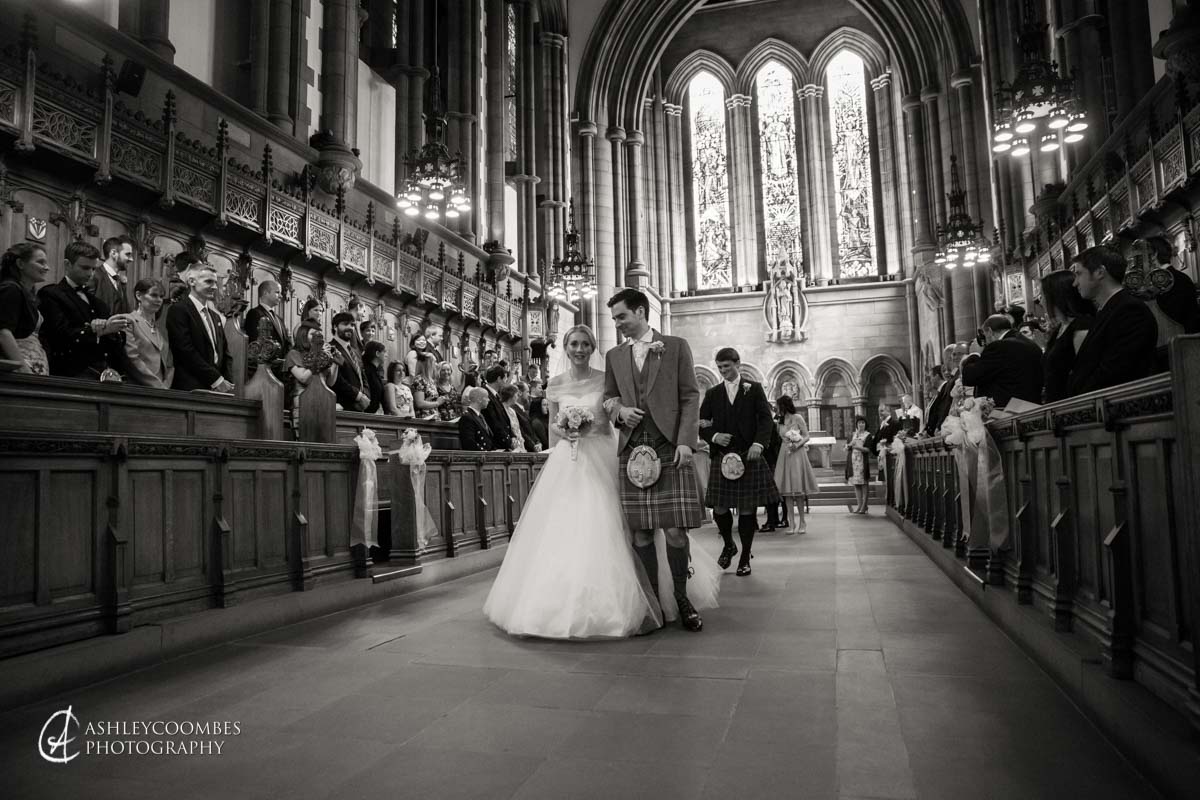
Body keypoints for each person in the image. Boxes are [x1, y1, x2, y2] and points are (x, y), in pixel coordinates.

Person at [484, 324, 718, 639]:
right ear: (565, 348)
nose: (579, 349)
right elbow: (553, 425)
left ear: (592, 347)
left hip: (602, 456)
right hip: (567, 460)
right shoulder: (554, 384)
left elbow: (612, 420)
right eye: (573, 344)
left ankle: (661, 595)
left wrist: (595, 425)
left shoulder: (605, 378)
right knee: (563, 530)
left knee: (626, 526)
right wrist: (566, 431)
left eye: (585, 344)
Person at [603, 289, 708, 631]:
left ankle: (681, 597)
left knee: (676, 532)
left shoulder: (675, 346)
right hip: (633, 451)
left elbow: (690, 396)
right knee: (641, 536)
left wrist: (686, 442)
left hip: (669, 448)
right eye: (615, 318)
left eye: (622, 316)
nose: (618, 324)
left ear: (641, 311)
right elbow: (608, 397)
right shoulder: (614, 356)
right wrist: (619, 412)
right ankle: (652, 602)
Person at [699, 347, 781, 577]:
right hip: (722, 457)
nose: (723, 371)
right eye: (720, 367)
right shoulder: (713, 393)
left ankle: (745, 556)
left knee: (747, 509)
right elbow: (702, 422)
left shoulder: (753, 389)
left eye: (727, 366)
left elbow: (766, 420)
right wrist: (714, 436)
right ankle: (728, 544)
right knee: (720, 507)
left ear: (738, 364)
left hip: (749, 454)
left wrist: (759, 444)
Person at [1067, 245, 1159, 397]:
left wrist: (1077, 400)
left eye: (1078, 274)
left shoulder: (1130, 311)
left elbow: (1115, 372)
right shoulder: (1107, 309)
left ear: (1099, 272)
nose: (1074, 283)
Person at [38, 241, 130, 379]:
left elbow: (117, 341)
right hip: (69, 375)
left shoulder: (99, 303)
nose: (91, 274)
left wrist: (114, 330)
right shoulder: (51, 294)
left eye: (93, 269)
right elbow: (59, 335)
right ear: (67, 264)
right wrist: (98, 329)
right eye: (85, 268)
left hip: (106, 376)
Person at [166, 262, 233, 392]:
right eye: (208, 282)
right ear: (192, 281)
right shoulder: (178, 310)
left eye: (215, 283)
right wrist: (216, 380)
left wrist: (226, 381)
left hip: (217, 388)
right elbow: (185, 351)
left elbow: (225, 352)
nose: (214, 287)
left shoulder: (215, 316)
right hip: (191, 388)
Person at [960, 313, 1043, 407]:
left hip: (1008, 411)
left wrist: (974, 354)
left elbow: (971, 377)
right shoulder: (1032, 345)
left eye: (985, 335)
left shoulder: (999, 346)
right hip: (1033, 406)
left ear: (990, 331)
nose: (985, 342)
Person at [1040, 270, 1094, 403]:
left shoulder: (1082, 326)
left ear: (1056, 296)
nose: (1040, 300)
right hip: (1055, 404)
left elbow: (1084, 373)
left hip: (1072, 404)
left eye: (1043, 295)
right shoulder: (1060, 328)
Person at [0, 243, 50, 375]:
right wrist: (23, 368)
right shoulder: (10, 289)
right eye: (41, 262)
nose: (47, 268)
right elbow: (3, 333)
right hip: (15, 371)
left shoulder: (28, 294)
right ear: (21, 264)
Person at [774, 395, 820, 534]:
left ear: (784, 405)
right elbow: (780, 437)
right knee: (787, 492)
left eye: (778, 406)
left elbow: (806, 436)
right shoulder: (779, 421)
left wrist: (797, 443)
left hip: (797, 453)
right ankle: (791, 523)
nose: (777, 408)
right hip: (784, 453)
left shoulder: (797, 418)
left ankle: (802, 522)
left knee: (798, 490)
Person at [123, 278, 174, 389]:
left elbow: (170, 364)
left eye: (161, 296)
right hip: (137, 388)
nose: (159, 300)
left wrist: (166, 385)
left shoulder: (160, 328)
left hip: (162, 391)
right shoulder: (129, 321)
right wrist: (157, 385)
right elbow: (132, 358)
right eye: (154, 295)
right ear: (138, 296)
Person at [285, 328, 338, 420]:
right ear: (303, 336)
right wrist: (318, 356)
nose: (317, 338)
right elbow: (303, 378)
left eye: (319, 335)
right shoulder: (293, 354)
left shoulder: (322, 355)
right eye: (312, 334)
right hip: (303, 401)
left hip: (322, 400)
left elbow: (330, 382)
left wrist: (335, 362)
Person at [243, 279, 290, 377]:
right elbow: (255, 342)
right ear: (265, 293)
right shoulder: (255, 313)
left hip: (281, 371)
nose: (281, 296)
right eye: (277, 292)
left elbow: (286, 343)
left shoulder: (279, 318)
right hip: (263, 369)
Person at [329, 311, 369, 411]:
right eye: (345, 324)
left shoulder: (355, 351)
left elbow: (363, 376)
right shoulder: (329, 348)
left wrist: (366, 396)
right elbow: (337, 380)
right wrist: (358, 396)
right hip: (341, 405)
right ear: (335, 327)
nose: (350, 327)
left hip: (360, 406)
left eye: (352, 325)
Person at [924, 344, 967, 436]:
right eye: (953, 355)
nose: (953, 358)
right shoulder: (952, 378)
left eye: (958, 354)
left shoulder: (959, 377)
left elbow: (948, 405)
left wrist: (940, 427)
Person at [93, 235, 134, 316]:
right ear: (114, 253)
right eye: (128, 254)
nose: (131, 259)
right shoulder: (94, 276)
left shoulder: (120, 280)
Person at [481, 364, 515, 451]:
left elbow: (504, 420)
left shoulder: (496, 395)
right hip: (496, 445)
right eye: (504, 378)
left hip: (503, 442)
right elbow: (493, 422)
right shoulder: (484, 394)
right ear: (499, 379)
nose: (505, 381)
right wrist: (508, 441)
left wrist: (512, 436)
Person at [845, 416, 872, 514]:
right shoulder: (853, 435)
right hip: (853, 462)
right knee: (856, 484)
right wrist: (848, 447)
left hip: (862, 462)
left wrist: (857, 447)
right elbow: (848, 446)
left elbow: (868, 449)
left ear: (866, 424)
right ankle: (859, 505)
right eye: (859, 423)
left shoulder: (868, 435)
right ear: (856, 424)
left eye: (863, 423)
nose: (861, 424)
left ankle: (864, 506)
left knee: (864, 484)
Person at [361, 340, 387, 414]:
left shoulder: (375, 371)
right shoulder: (367, 371)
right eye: (384, 352)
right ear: (377, 353)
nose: (386, 355)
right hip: (367, 413)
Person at [500, 384, 526, 452]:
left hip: (518, 443)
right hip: (509, 444)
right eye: (517, 395)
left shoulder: (512, 411)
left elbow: (518, 429)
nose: (517, 397)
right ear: (512, 395)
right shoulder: (501, 409)